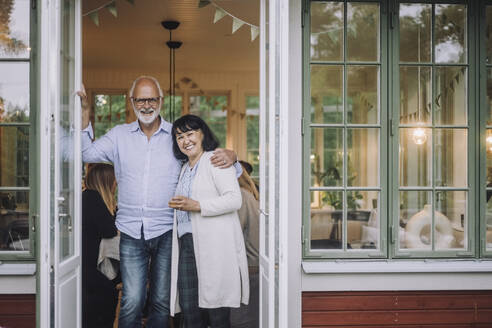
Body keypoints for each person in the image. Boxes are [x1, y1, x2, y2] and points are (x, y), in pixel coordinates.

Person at [78, 76, 241, 328]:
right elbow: (85, 152)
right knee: (132, 300)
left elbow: (210, 164)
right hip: (131, 230)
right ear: (132, 102)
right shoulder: (119, 135)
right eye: (140, 99)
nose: (146, 105)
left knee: (162, 301)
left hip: (167, 230)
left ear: (161, 101)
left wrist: (232, 155)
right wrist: (85, 116)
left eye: (151, 98)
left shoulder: (176, 136)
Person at [168, 114, 249, 327]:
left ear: (203, 134)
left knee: (216, 311)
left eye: (190, 134)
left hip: (212, 246)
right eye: (179, 137)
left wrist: (198, 205)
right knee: (190, 311)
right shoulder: (185, 168)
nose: (185, 140)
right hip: (186, 244)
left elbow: (234, 200)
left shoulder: (215, 160)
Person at [82, 163, 119, 328]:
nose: (116, 184)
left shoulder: (88, 197)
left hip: (87, 268)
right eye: (114, 180)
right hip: (92, 271)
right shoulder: (93, 199)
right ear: (105, 181)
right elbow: (109, 230)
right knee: (104, 309)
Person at [231, 169, 260, 328]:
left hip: (247, 267)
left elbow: (234, 233)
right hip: (254, 264)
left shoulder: (241, 197)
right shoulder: (251, 194)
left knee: (240, 321)